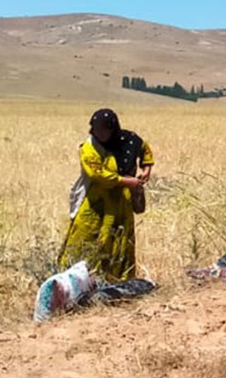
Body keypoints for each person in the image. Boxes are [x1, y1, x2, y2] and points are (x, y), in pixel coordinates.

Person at [57, 108, 154, 282]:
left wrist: (146, 168)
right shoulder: (89, 148)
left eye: (104, 129)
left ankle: (118, 281)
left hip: (122, 203)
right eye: (96, 128)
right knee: (86, 236)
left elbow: (144, 149)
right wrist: (126, 182)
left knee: (121, 240)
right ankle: (74, 279)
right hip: (96, 201)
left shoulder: (129, 141)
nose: (99, 132)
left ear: (113, 129)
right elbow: (98, 174)